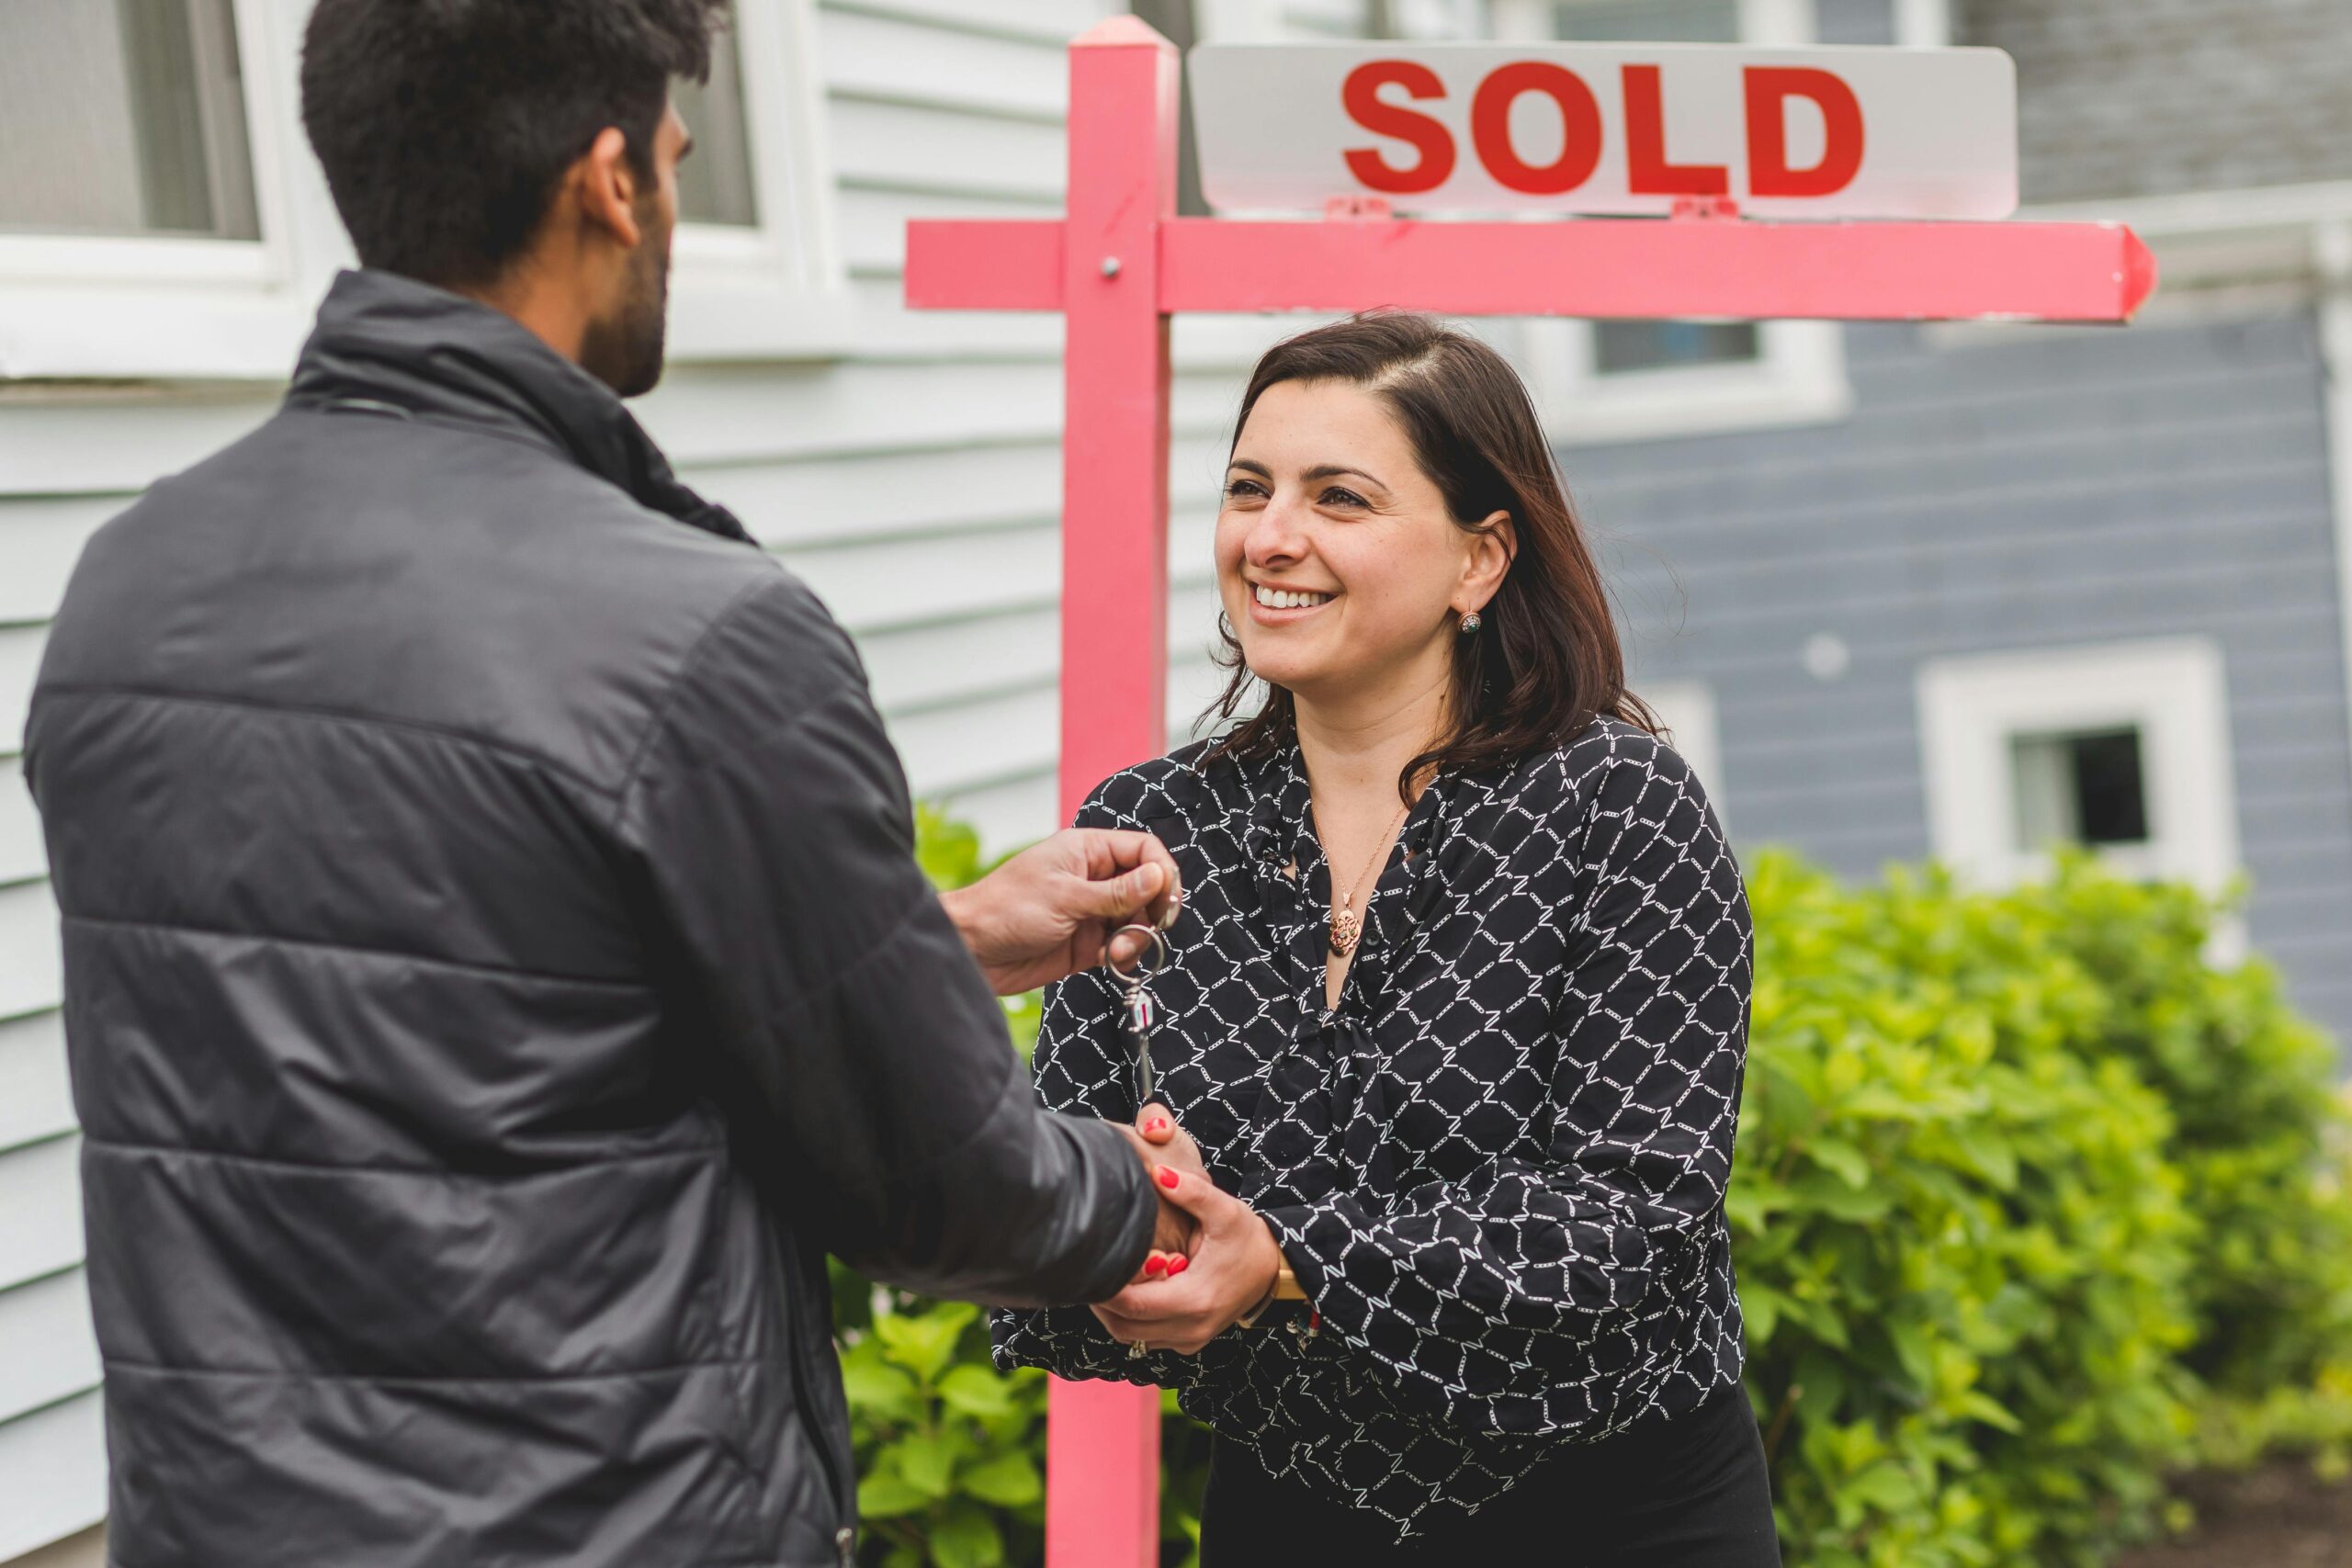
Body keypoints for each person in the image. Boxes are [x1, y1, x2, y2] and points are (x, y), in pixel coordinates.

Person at [22, 4, 1192, 1566]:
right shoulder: (695, 637)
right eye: (678, 160)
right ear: (609, 182)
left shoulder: (128, 590)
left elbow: (428, 979)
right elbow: (939, 1187)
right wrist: (1139, 1199)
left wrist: (939, 936)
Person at [992, 312, 1781, 1565]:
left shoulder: (1617, 808)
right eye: (1248, 489)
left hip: (1619, 1517)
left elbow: (1632, 1218)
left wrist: (1286, 1256)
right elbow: (1062, 1189)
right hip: (1291, 1514)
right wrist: (1132, 1230)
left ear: (1481, 560)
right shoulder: (1142, 833)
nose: (1271, 537)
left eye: (1339, 498)